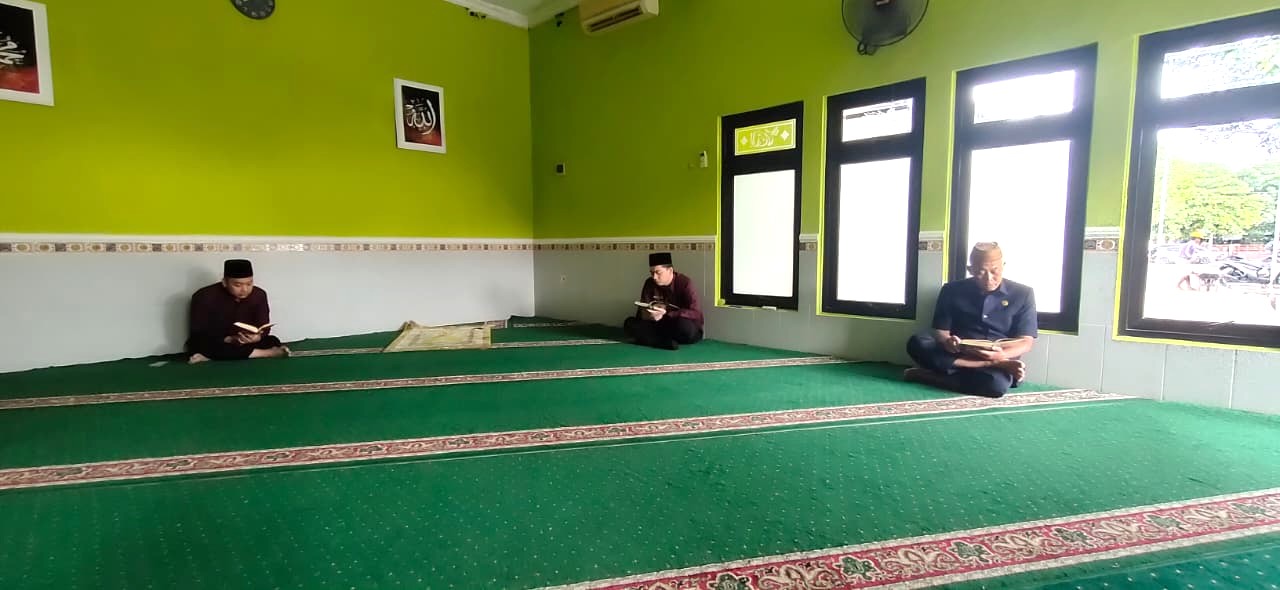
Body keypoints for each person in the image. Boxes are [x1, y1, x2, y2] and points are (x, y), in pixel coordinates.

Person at [904, 242, 1036, 397]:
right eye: (981, 272)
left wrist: (999, 356)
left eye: (995, 271)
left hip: (998, 354)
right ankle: (992, 365)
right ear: (970, 270)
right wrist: (948, 341)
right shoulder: (951, 290)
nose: (989, 278)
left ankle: (928, 376)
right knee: (918, 342)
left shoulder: (1023, 294)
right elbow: (940, 332)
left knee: (996, 386)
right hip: (960, 354)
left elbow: (1026, 342)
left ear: (1003, 266)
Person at [186, 259, 288, 364]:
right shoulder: (204, 296)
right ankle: (266, 353)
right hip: (219, 340)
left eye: (249, 284)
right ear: (225, 282)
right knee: (198, 343)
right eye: (238, 285)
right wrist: (229, 339)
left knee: (272, 340)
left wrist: (257, 337)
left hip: (245, 342)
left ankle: (210, 356)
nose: (244, 289)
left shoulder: (259, 295)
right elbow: (199, 330)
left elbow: (263, 325)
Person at [623, 252, 704, 350]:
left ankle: (654, 340)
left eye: (658, 272)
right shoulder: (649, 283)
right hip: (659, 324)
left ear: (670, 270)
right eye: (652, 273)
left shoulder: (685, 283)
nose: (654, 277)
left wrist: (668, 314)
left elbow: (696, 313)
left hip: (678, 325)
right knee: (629, 323)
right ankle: (662, 342)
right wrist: (650, 315)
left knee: (684, 327)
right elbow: (642, 310)